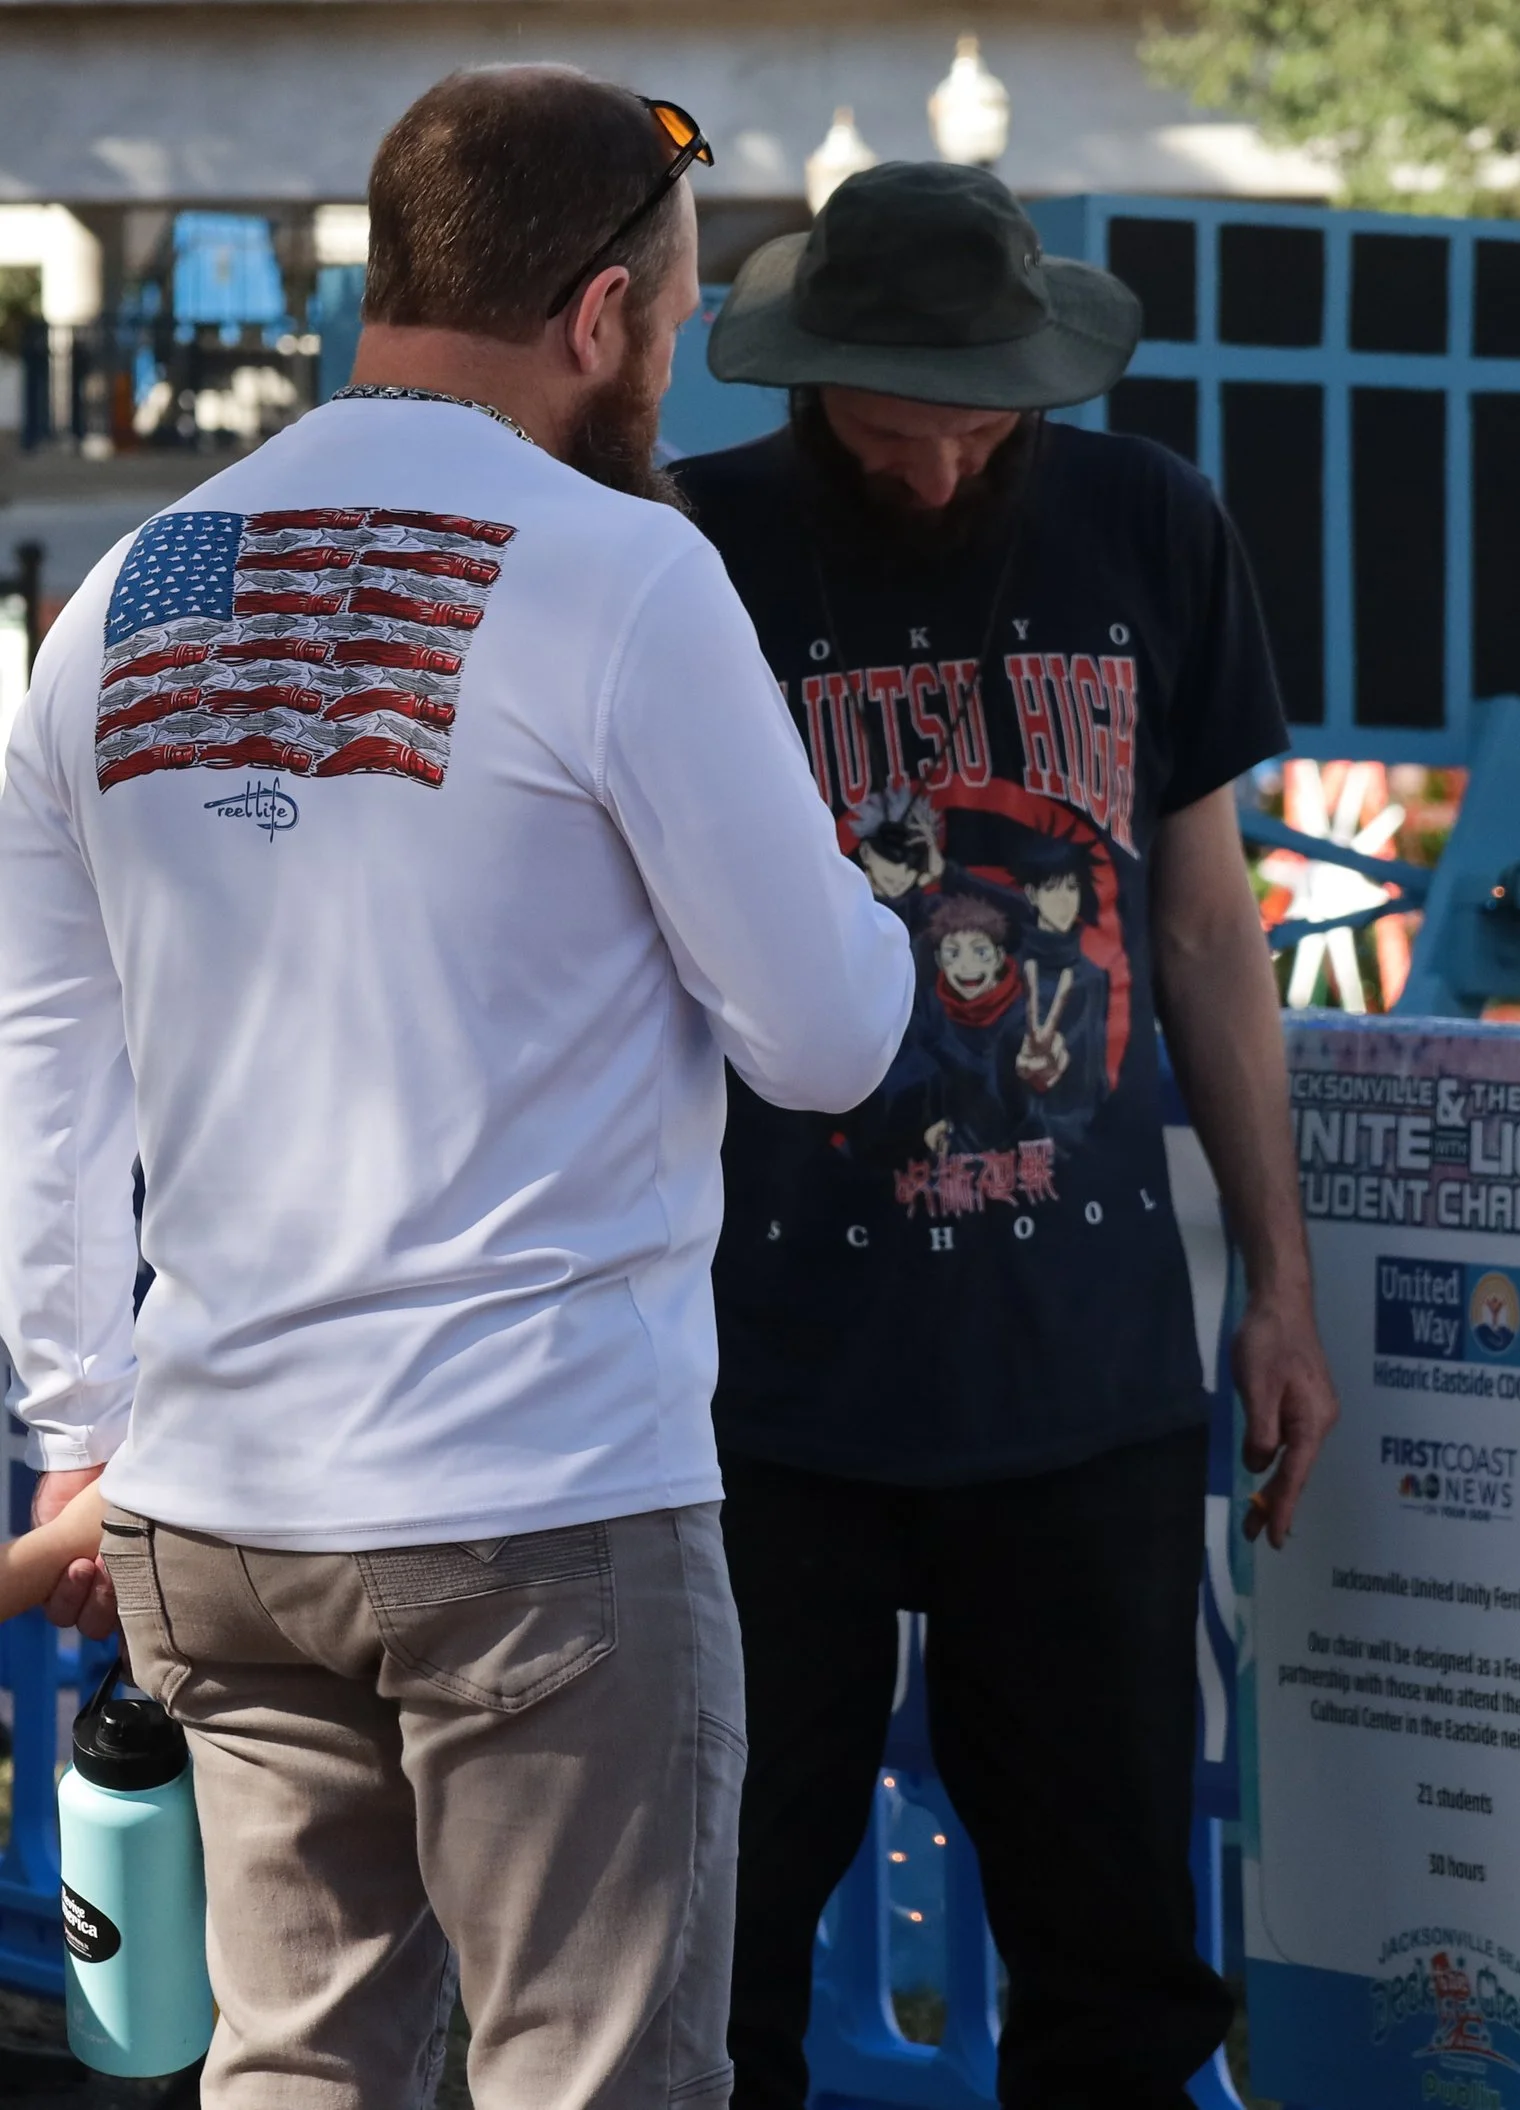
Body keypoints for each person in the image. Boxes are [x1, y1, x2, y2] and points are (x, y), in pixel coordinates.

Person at [0, 68, 913, 2105]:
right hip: (538, 1499)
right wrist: (861, 899)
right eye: (671, 329)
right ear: (597, 315)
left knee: (293, 2068)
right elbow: (829, 1036)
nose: (666, 375)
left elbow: (45, 1057)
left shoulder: (129, 595)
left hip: (218, 1502)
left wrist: (78, 1423)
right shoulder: (625, 575)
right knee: (588, 2073)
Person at [675, 161, 1340, 2110]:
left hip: (1082, 1384)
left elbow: (1207, 921)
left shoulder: (1148, 519)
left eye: (985, 418)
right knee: (699, 1966)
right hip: (752, 1392)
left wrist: (1279, 1282)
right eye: (899, 423)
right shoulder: (690, 555)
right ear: (807, 377)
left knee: (1118, 1963)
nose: (948, 465)